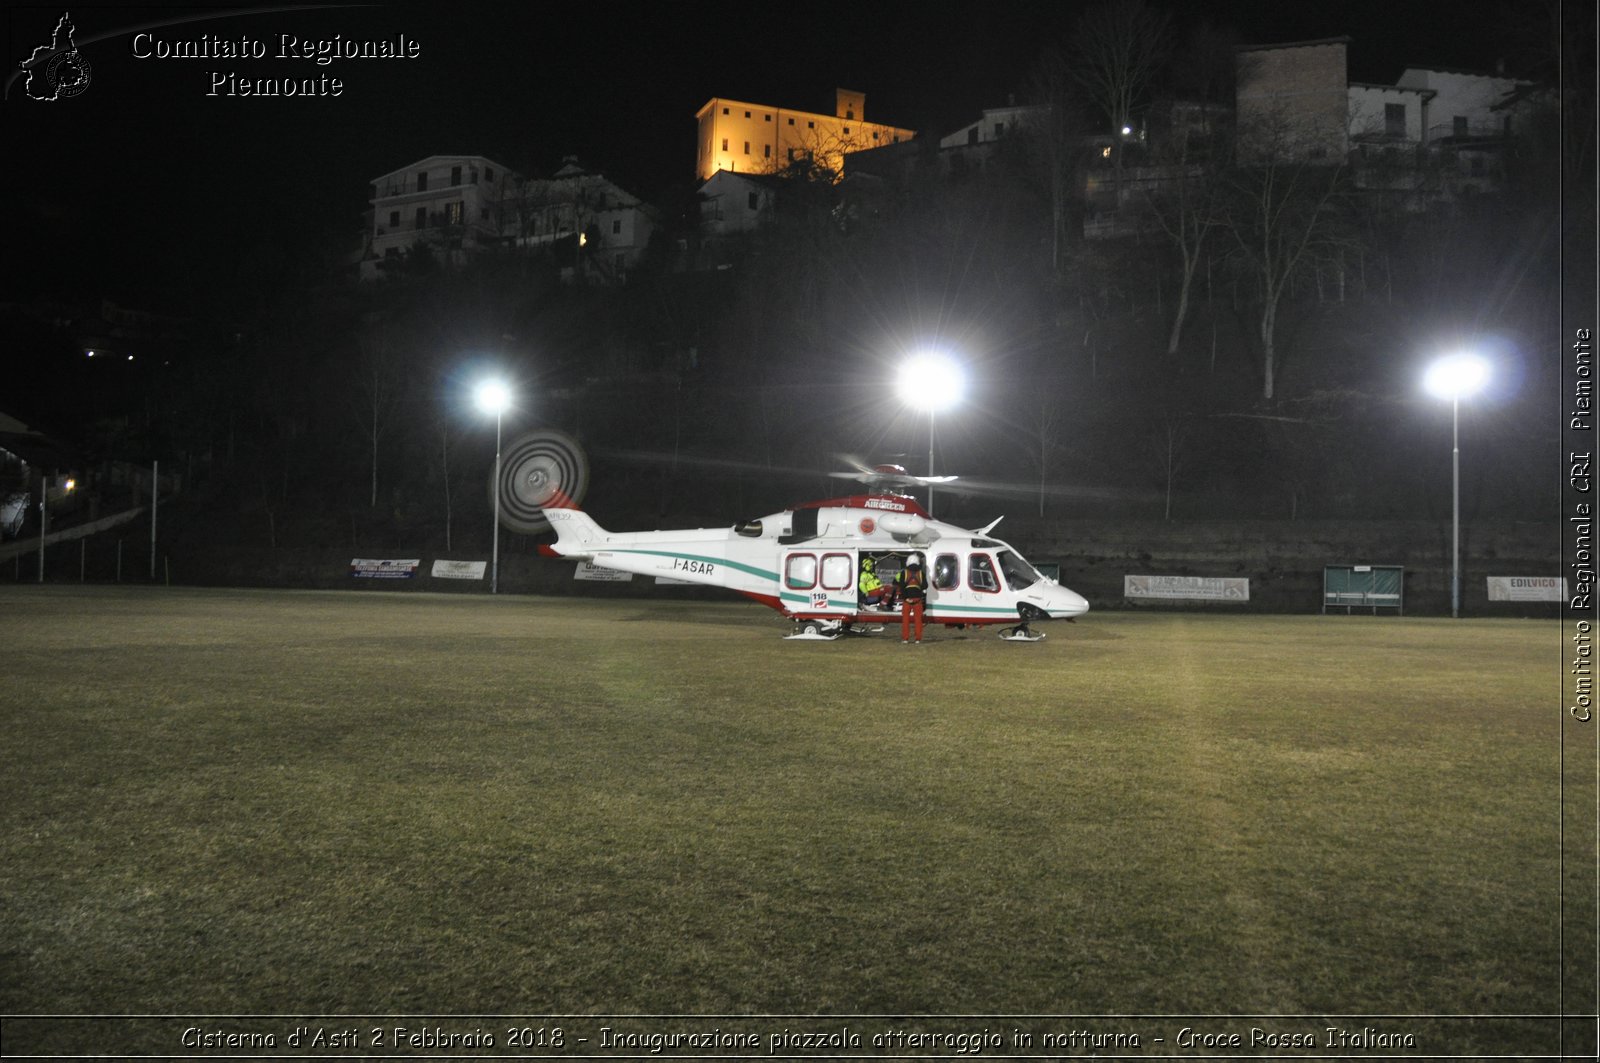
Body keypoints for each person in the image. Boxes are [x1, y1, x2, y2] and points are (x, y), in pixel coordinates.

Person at [896, 554, 928, 643]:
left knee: (905, 620)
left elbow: (901, 587)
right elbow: (925, 585)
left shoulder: (904, 572)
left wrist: (906, 598)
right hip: (918, 599)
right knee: (918, 620)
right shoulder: (921, 573)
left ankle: (905, 639)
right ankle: (918, 639)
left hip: (907, 600)